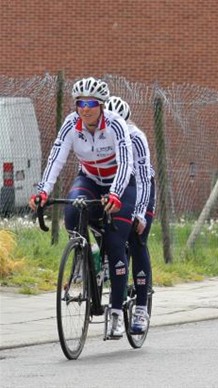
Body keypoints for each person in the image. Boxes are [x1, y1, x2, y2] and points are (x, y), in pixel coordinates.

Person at [29, 77, 135, 339]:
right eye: (79, 103)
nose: (84, 108)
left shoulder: (116, 125)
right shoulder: (70, 124)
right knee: (72, 210)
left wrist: (116, 194)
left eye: (90, 103)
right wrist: (43, 190)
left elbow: (126, 163)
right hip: (89, 178)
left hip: (119, 183)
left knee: (115, 241)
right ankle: (85, 254)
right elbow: (56, 157)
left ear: (100, 105)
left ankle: (117, 313)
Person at [105, 96, 155, 334]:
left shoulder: (136, 138)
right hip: (113, 185)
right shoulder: (102, 133)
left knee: (136, 239)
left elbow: (144, 179)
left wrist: (140, 214)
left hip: (141, 188)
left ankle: (141, 309)